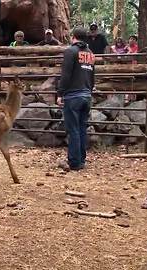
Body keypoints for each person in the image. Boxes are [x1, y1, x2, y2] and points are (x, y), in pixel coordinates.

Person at [57, 27, 95, 171]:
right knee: (81, 128)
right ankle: (81, 159)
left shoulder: (70, 52)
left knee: (73, 129)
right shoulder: (90, 53)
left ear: (73, 37)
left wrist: (60, 93)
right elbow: (92, 76)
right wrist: (89, 91)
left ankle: (74, 162)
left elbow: (65, 75)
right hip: (86, 95)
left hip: (73, 96)